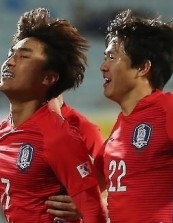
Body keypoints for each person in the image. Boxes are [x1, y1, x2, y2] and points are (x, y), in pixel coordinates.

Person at [46, 9, 173, 223]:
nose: (103, 67)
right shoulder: (118, 131)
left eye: (112, 57)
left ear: (142, 68)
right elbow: (94, 188)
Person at [0, 8, 107, 223]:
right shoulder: (4, 130)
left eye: (24, 56)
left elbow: (95, 210)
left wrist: (85, 209)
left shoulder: (59, 137)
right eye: (12, 53)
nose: (10, 61)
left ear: (48, 78)